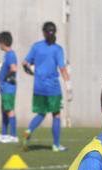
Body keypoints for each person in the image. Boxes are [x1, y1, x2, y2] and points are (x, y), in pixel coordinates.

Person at [22, 22, 70, 152]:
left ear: (43, 32)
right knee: (56, 115)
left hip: (38, 88)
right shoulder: (57, 49)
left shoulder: (36, 47)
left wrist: (29, 70)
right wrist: (69, 87)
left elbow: (25, 63)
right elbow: (62, 68)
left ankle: (28, 130)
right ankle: (56, 145)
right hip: (53, 88)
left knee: (41, 113)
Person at [0, 31, 18, 143]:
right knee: (4, 109)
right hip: (4, 87)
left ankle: (13, 135)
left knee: (9, 109)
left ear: (3, 42)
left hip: (9, 87)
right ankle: (4, 134)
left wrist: (5, 77)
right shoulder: (7, 54)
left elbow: (13, 68)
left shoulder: (11, 54)